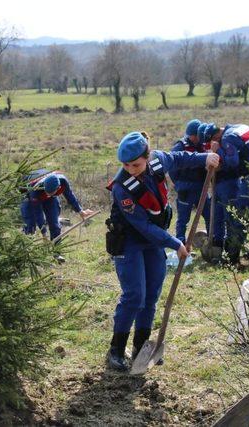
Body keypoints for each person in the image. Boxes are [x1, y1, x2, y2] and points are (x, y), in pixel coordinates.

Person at [105, 131, 220, 371]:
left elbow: (179, 158)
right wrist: (175, 243)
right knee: (135, 295)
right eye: (125, 165)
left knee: (151, 297)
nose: (130, 169)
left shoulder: (158, 159)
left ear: (147, 157)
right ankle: (116, 350)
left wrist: (206, 157)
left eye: (135, 164)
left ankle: (140, 348)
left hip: (154, 241)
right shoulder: (121, 187)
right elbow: (142, 226)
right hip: (129, 241)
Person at [203, 123, 249, 265]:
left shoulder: (227, 137)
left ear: (215, 137)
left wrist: (218, 152)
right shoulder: (241, 127)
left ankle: (231, 259)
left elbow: (233, 162)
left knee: (239, 216)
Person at [20, 169, 94, 241]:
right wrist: (44, 235)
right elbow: (38, 212)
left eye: (50, 193)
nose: (47, 194)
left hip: (50, 197)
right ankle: (25, 249)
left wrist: (81, 211)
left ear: (58, 188)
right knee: (30, 224)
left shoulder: (63, 182)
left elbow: (70, 196)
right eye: (46, 192)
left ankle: (56, 251)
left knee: (54, 224)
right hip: (29, 195)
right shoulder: (35, 189)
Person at [170, 119, 212, 245]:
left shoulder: (204, 146)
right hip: (185, 190)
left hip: (202, 189)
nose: (198, 138)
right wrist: (179, 184)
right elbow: (172, 168)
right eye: (196, 136)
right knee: (183, 220)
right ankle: (180, 245)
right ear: (191, 135)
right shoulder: (180, 146)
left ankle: (211, 240)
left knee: (210, 215)